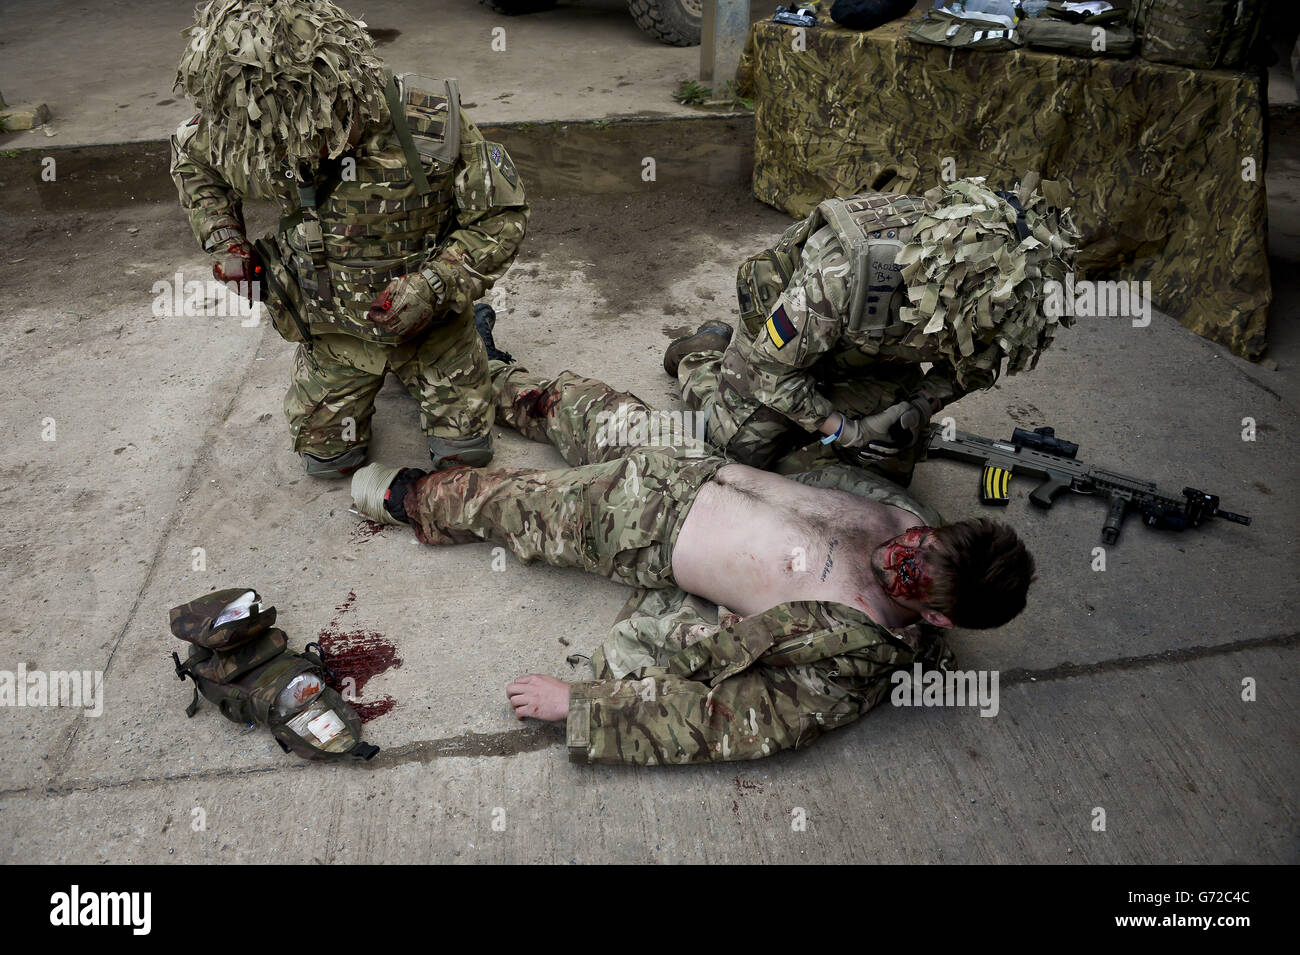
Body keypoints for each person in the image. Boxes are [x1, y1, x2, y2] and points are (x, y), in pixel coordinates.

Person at [349, 359, 1035, 765]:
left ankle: (406, 498)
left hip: (643, 523)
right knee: (566, 399)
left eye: (914, 571)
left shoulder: (851, 659)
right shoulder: (912, 524)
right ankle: (451, 365)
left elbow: (726, 721)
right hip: (689, 460)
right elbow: (812, 462)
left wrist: (583, 707)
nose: (902, 550)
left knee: (501, 502)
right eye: (922, 543)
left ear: (937, 612)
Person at [169, 0, 528, 477]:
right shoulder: (261, 134)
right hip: (334, 334)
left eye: (314, 129)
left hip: (431, 330)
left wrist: (434, 285)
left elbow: (499, 216)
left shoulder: (430, 124)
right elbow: (191, 156)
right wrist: (225, 241)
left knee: (464, 460)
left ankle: (471, 337)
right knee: (327, 463)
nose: (301, 152)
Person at [663, 174, 1078, 484]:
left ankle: (818, 424)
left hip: (871, 352)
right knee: (741, 451)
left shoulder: (1006, 304)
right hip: (782, 347)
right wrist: (845, 431)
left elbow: (971, 369)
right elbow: (772, 372)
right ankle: (708, 354)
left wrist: (916, 408)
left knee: (890, 464)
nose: (990, 341)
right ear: (940, 287)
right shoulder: (845, 275)